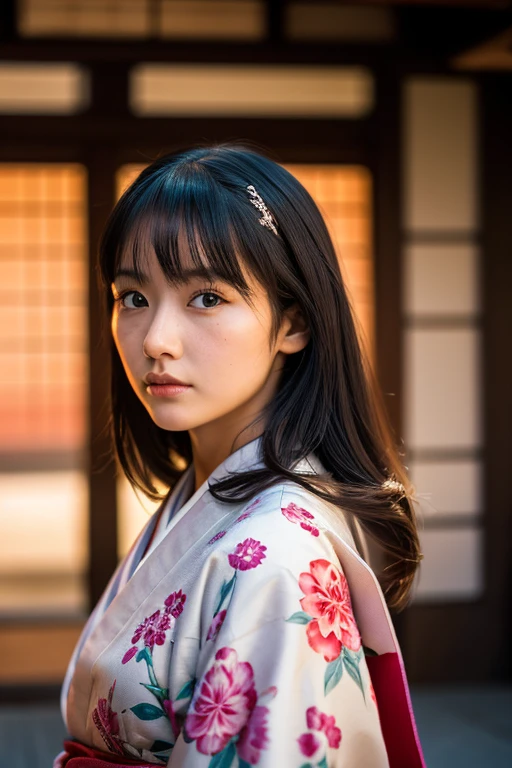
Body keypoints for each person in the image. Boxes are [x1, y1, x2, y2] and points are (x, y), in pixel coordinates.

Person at [54, 142, 425, 767]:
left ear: (293, 323)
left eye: (206, 297)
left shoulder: (275, 558)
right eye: (133, 297)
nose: (156, 341)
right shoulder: (215, 497)